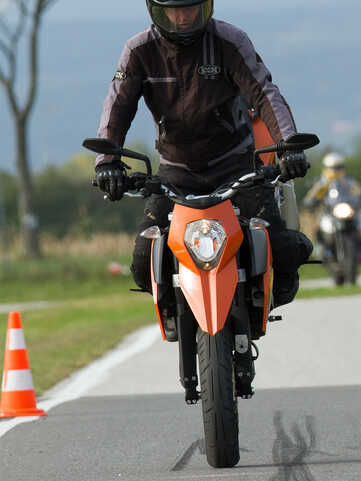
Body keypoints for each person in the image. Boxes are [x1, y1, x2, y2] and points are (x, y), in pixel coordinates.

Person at [94, 0, 313, 310]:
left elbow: (265, 93)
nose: (183, 17)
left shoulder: (230, 41)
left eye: (191, 7)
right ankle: (174, 308)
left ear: (206, 6)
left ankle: (267, 288)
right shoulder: (139, 50)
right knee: (143, 263)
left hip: (236, 168)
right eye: (174, 9)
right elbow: (117, 106)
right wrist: (107, 163)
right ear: (156, 10)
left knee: (279, 245)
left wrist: (289, 145)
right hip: (175, 173)